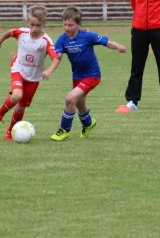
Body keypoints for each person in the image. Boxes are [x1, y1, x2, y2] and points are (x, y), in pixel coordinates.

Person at [49, 7, 126, 141]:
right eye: (64, 24)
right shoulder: (62, 39)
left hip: (92, 75)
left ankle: (64, 130)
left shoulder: (87, 36)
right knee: (80, 104)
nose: (67, 28)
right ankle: (88, 124)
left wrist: (118, 46)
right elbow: (57, 54)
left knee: (69, 99)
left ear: (79, 25)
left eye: (70, 25)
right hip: (77, 76)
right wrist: (57, 56)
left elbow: (107, 42)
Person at [0, 5, 59, 141]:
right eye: (32, 25)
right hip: (18, 69)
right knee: (17, 95)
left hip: (34, 77)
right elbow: (10, 32)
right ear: (28, 22)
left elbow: (55, 58)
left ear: (43, 23)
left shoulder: (46, 41)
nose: (34, 29)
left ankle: (10, 131)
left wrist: (49, 70)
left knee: (20, 108)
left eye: (38, 25)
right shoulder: (22, 33)